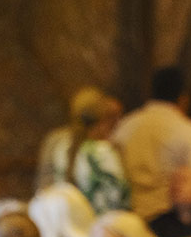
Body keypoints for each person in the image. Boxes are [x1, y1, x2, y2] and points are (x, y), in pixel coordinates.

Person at [111, 66, 191, 222]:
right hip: (163, 222)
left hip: (121, 218)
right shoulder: (186, 130)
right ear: (183, 99)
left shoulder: (126, 125)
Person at [43, 86, 130, 215]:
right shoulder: (103, 152)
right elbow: (120, 199)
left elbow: (46, 184)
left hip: (67, 218)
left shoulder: (61, 146)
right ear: (103, 119)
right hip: (102, 224)